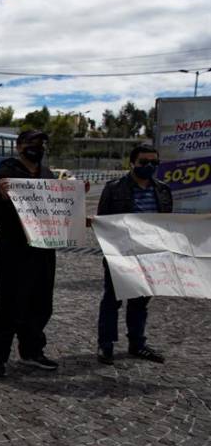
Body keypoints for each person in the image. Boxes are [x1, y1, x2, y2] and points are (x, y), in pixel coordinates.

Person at [0, 129, 58, 378]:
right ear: (19, 147)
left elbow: (59, 208)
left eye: (41, 143)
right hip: (13, 250)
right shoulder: (4, 174)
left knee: (41, 303)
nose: (38, 147)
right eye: (32, 143)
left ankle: (32, 351)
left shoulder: (48, 174)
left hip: (44, 248)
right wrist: (2, 198)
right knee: (8, 305)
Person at [95, 144, 171, 365]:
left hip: (150, 255)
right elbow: (104, 221)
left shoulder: (163, 190)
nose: (149, 166)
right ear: (132, 163)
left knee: (140, 302)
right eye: (144, 162)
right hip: (120, 254)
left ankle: (137, 343)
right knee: (112, 300)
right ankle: (105, 344)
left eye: (153, 163)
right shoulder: (114, 188)